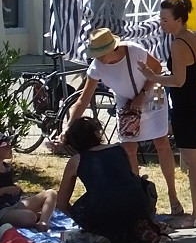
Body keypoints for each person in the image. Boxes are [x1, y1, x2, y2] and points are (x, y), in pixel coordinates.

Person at [68, 28, 183, 217]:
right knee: (128, 148)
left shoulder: (134, 50)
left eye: (101, 54)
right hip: (126, 103)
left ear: (113, 48)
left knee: (161, 143)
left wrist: (143, 94)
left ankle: (173, 196)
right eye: (96, 54)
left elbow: (157, 69)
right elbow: (84, 98)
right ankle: (138, 197)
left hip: (153, 96)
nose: (99, 59)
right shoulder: (97, 66)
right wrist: (69, 126)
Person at [137, 0, 196, 228]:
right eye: (160, 18)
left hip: (186, 105)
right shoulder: (195, 37)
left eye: (165, 19)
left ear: (178, 20)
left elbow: (178, 80)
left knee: (193, 162)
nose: (161, 23)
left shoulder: (179, 43)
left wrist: (152, 76)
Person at [55, 117, 168, 243]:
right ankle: (135, 227)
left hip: (102, 211)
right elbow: (130, 179)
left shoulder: (76, 161)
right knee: (132, 189)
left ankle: (95, 236)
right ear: (97, 134)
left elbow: (61, 203)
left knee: (85, 208)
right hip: (135, 206)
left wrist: (82, 218)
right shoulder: (119, 149)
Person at [0, 133, 57, 230]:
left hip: (15, 205)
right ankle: (35, 217)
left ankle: (43, 222)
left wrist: (15, 189)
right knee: (30, 217)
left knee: (51, 193)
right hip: (2, 211)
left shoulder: (7, 167)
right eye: (6, 146)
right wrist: (4, 190)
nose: (10, 147)